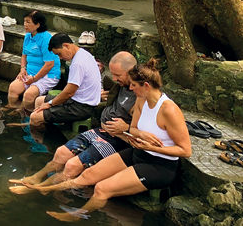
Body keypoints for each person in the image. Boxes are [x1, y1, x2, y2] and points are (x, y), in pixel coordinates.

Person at [35, 59, 191, 222]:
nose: (130, 89)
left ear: (145, 85)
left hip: (159, 165)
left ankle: (76, 215)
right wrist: (141, 136)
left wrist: (154, 148)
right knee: (89, 173)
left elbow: (186, 150)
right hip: (138, 152)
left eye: (133, 85)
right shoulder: (141, 100)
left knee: (102, 188)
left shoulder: (169, 110)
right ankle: (43, 187)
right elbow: (134, 128)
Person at [9, 52, 137, 192]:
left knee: (72, 165)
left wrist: (127, 127)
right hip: (102, 130)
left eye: (117, 75)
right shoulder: (121, 86)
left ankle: (40, 188)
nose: (114, 78)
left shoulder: (141, 94)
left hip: (118, 140)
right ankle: (36, 177)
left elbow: (151, 131)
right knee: (61, 152)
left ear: (131, 72)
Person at [30, 33, 102, 128]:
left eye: (59, 54)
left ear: (66, 46)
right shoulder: (83, 53)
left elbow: (69, 93)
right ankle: (47, 124)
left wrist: (50, 104)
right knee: (39, 101)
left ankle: (41, 139)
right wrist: (49, 104)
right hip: (77, 100)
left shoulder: (78, 63)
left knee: (35, 117)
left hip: (82, 107)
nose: (60, 58)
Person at [6, 11, 60, 112]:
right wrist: (22, 69)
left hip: (48, 75)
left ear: (38, 24)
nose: (25, 25)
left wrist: (34, 79)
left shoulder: (46, 39)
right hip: (30, 73)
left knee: (29, 94)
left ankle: (24, 113)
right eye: (24, 22)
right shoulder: (28, 36)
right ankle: (12, 108)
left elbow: (49, 64)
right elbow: (24, 55)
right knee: (13, 88)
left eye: (28, 22)